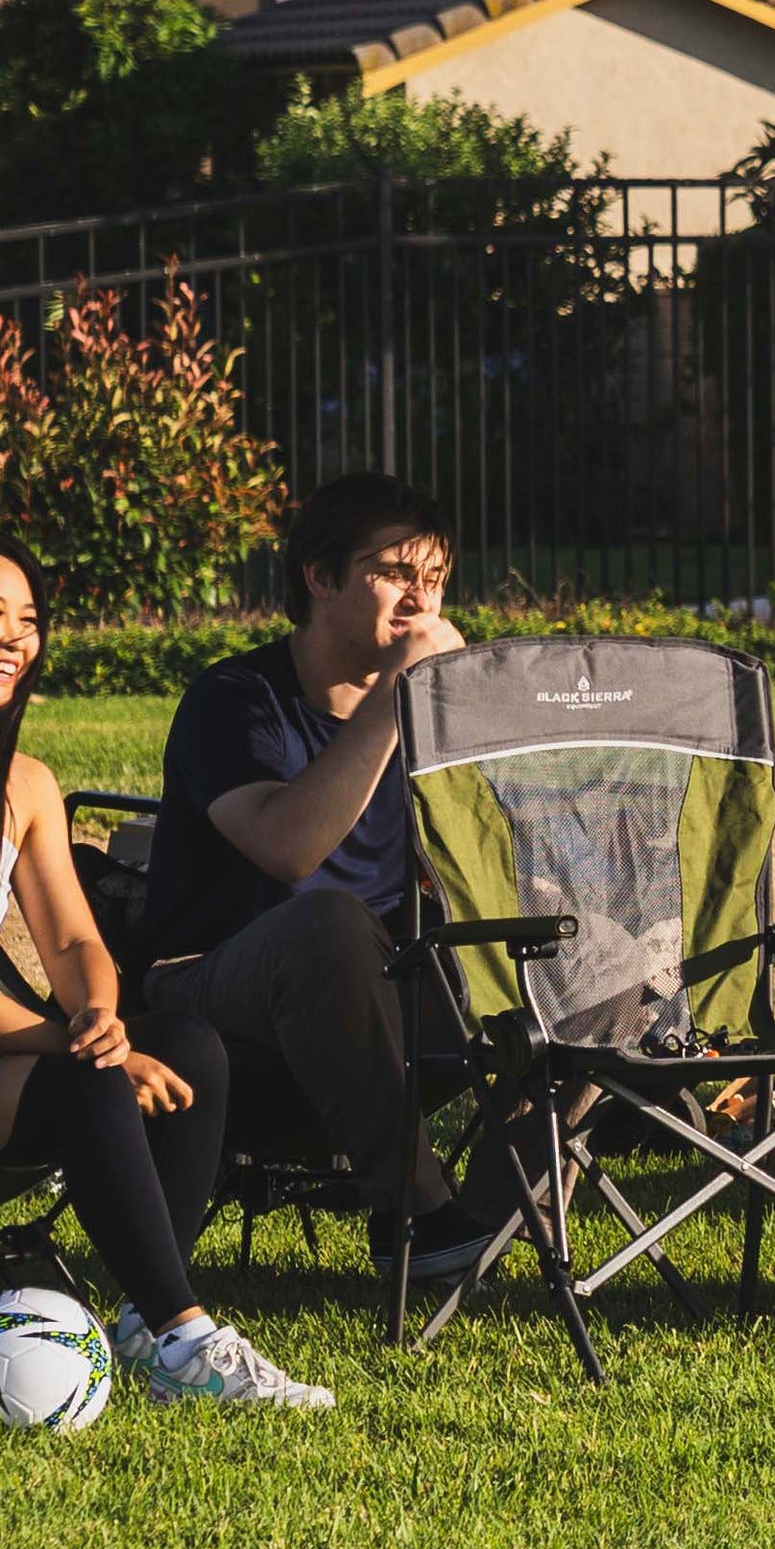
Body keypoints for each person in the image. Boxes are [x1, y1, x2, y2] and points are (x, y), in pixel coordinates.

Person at [0, 534, 330, 1410]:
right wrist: (84, 1053)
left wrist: (97, 1017)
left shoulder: (26, 784)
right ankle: (188, 1341)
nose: (10, 639)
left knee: (189, 1044)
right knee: (91, 1087)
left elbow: (78, 943)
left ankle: (144, 1323)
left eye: (29, 623)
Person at [139, 473, 526, 1292]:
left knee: (581, 952)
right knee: (330, 923)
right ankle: (418, 1213)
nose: (419, 603)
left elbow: (497, 855)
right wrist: (397, 692)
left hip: (383, 980)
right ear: (320, 577)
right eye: (395, 574)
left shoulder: (425, 712)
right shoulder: (235, 701)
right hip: (211, 980)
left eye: (435, 582)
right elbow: (289, 851)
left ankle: (477, 1220)